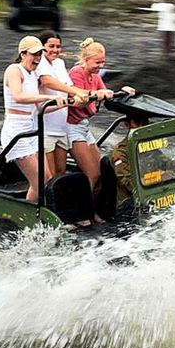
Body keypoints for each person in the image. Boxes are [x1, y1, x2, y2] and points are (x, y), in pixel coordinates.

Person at [67, 37, 134, 222]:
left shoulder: (95, 76)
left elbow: (106, 96)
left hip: (84, 127)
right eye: (97, 62)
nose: (100, 66)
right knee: (92, 173)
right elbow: (79, 97)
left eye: (103, 62)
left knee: (103, 169)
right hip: (71, 126)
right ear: (86, 60)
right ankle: (80, 213)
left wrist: (122, 91)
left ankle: (93, 209)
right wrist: (96, 94)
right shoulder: (76, 73)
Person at [2, 36, 67, 202]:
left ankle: (33, 216)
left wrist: (64, 104)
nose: (37, 58)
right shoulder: (14, 70)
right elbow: (18, 96)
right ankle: (30, 219)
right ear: (23, 54)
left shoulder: (33, 75)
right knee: (40, 182)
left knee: (46, 178)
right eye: (34, 54)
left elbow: (40, 109)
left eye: (39, 54)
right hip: (16, 132)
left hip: (32, 130)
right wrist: (46, 96)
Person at [36, 30, 89, 177]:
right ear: (42, 47)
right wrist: (75, 95)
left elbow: (70, 86)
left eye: (58, 47)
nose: (55, 50)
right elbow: (47, 81)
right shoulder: (39, 62)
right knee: (49, 176)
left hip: (60, 126)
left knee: (61, 171)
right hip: (45, 127)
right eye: (51, 46)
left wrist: (87, 94)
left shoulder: (59, 63)